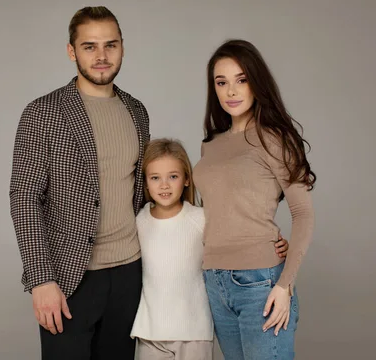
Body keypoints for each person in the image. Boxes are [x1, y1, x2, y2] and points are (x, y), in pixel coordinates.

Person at [9, 6, 150, 359]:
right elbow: (24, 196)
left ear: (122, 47)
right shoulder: (43, 112)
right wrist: (41, 280)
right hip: (70, 277)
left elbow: (150, 193)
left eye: (110, 45)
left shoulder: (137, 111)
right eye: (89, 46)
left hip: (130, 274)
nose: (101, 56)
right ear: (72, 51)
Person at [193, 39, 316, 360]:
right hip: (213, 281)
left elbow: (303, 214)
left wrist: (284, 285)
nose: (231, 91)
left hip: (261, 283)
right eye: (222, 82)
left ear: (256, 83)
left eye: (241, 80)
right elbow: (220, 210)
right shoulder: (211, 145)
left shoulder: (275, 138)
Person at [131, 139, 289, 360]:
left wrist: (276, 243)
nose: (164, 185)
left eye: (173, 176)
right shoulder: (139, 221)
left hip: (195, 331)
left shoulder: (201, 219)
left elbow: (238, 238)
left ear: (187, 179)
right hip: (150, 332)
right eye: (155, 178)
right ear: (146, 183)